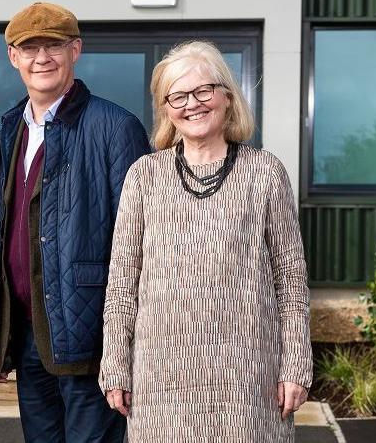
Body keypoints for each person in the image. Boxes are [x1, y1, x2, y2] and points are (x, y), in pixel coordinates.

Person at [99, 40, 312, 441]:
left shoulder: (265, 173)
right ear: (165, 109)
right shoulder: (143, 176)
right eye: (177, 95)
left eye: (203, 91)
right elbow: (122, 284)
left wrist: (296, 363)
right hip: (160, 380)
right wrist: (114, 362)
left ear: (227, 97)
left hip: (249, 378)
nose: (192, 104)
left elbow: (290, 279)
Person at [0, 2, 150, 442]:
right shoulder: (8, 128)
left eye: (53, 45)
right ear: (12, 57)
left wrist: (123, 341)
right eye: (29, 48)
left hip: (90, 334)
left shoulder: (116, 127)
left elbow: (140, 241)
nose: (42, 58)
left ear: (76, 49)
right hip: (27, 329)